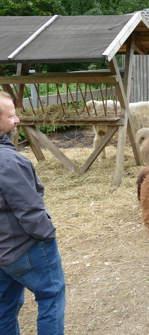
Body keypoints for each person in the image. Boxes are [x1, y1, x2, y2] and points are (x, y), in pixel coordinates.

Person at [0, 91, 66, 334]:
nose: (17, 120)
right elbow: (30, 211)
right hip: (24, 248)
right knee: (51, 295)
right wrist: (48, 235)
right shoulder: (9, 162)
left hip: (2, 251)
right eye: (11, 116)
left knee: (4, 309)